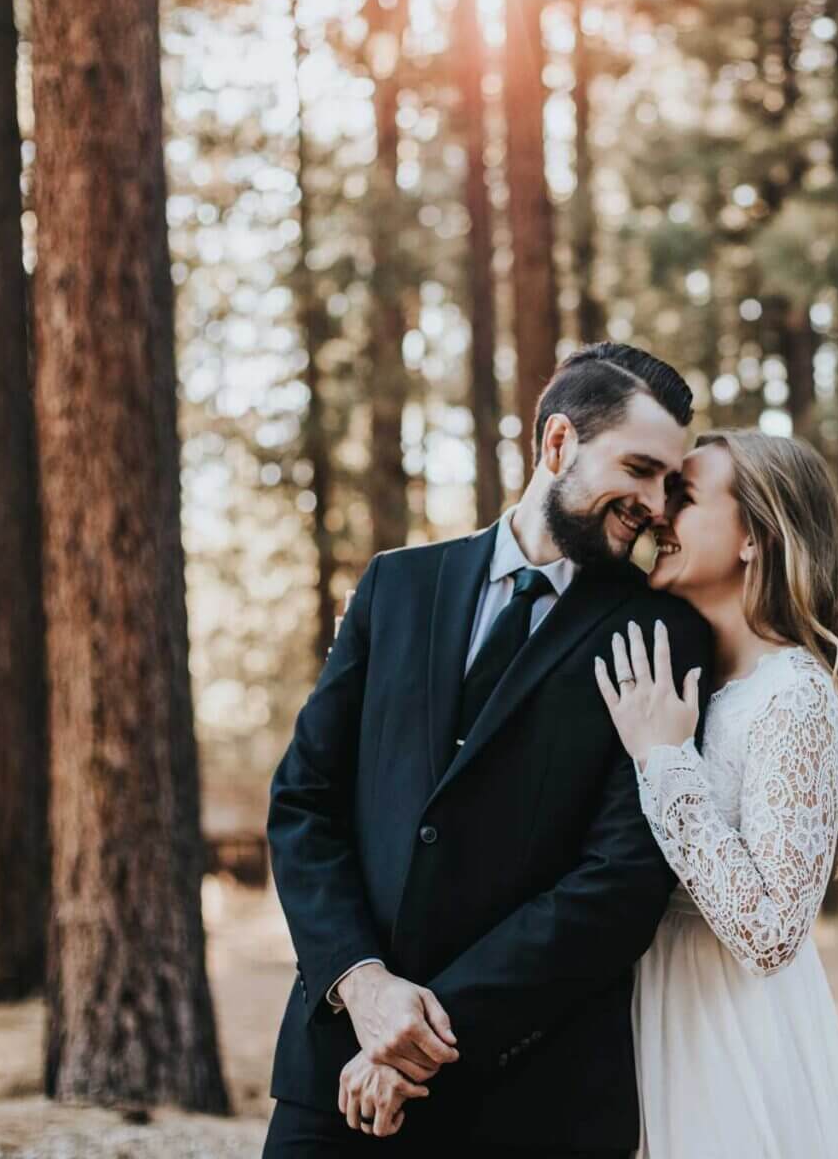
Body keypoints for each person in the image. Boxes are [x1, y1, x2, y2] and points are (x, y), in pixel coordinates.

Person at [263, 342, 714, 1157]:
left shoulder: (662, 634)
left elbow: (618, 882)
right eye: (640, 470)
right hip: (336, 1074)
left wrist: (421, 1038)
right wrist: (362, 988)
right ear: (557, 443)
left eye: (670, 486)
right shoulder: (395, 587)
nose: (656, 504)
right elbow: (304, 801)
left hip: (532, 1101)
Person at [595, 428, 838, 1158]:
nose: (658, 517)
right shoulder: (699, 679)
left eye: (686, 498)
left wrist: (665, 761)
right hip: (652, 1003)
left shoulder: (794, 696)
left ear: (753, 537)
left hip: (729, 1030)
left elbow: (771, 934)